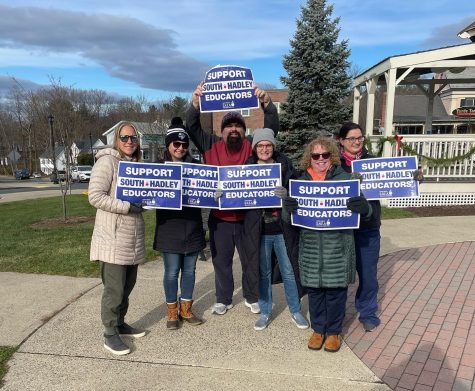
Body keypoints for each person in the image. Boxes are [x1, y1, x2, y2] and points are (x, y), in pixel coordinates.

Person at [186, 82, 279, 315]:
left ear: (244, 130)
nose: (234, 129)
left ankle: (251, 296)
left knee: (250, 260)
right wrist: (195, 103)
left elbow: (271, 129)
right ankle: (223, 298)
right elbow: (192, 126)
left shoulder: (252, 146)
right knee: (222, 262)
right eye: (229, 126)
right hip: (221, 218)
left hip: (248, 217)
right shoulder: (210, 145)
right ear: (222, 130)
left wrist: (267, 104)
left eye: (238, 125)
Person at [281, 136, 372, 352]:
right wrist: (288, 208)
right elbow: (288, 220)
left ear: (332, 156)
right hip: (311, 250)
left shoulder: (345, 180)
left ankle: (333, 332)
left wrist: (363, 207)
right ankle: (318, 330)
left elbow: (367, 214)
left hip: (337, 250)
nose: (321, 159)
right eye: (316, 155)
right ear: (309, 159)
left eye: (325, 155)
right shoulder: (300, 183)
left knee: (335, 295)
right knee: (315, 293)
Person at [337, 122, 423, 332]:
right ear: (341, 141)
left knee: (368, 274)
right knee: (338, 275)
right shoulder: (334, 165)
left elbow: (395, 180)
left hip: (368, 228)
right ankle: (336, 316)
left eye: (359, 138)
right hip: (341, 228)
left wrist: (414, 178)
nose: (356, 142)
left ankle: (366, 312)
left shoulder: (372, 163)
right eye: (351, 139)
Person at [242, 128, 309, 331]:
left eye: (268, 145)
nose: (264, 149)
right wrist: (223, 193)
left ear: (273, 147)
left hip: (282, 229)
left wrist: (287, 193)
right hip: (259, 230)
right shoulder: (247, 167)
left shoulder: (284, 165)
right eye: (260, 145)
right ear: (255, 148)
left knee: (289, 271)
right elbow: (236, 194)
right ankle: (264, 311)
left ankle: (295, 311)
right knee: (263, 272)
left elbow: (298, 192)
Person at [88, 122, 146, 356]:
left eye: (133, 138)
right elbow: (95, 196)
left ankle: (120, 323)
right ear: (117, 139)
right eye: (125, 137)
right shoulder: (107, 162)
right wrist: (126, 206)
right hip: (112, 238)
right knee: (114, 288)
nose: (130, 142)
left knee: (127, 286)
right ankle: (110, 333)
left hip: (132, 239)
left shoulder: (136, 165)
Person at [153, 117, 206, 330]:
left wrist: (216, 192)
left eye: (185, 145)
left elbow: (208, 190)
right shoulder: (158, 168)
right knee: (172, 271)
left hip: (192, 226)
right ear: (168, 145)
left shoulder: (197, 167)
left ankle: (186, 308)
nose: (181, 148)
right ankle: (172, 312)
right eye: (176, 144)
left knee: (190, 271)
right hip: (169, 227)